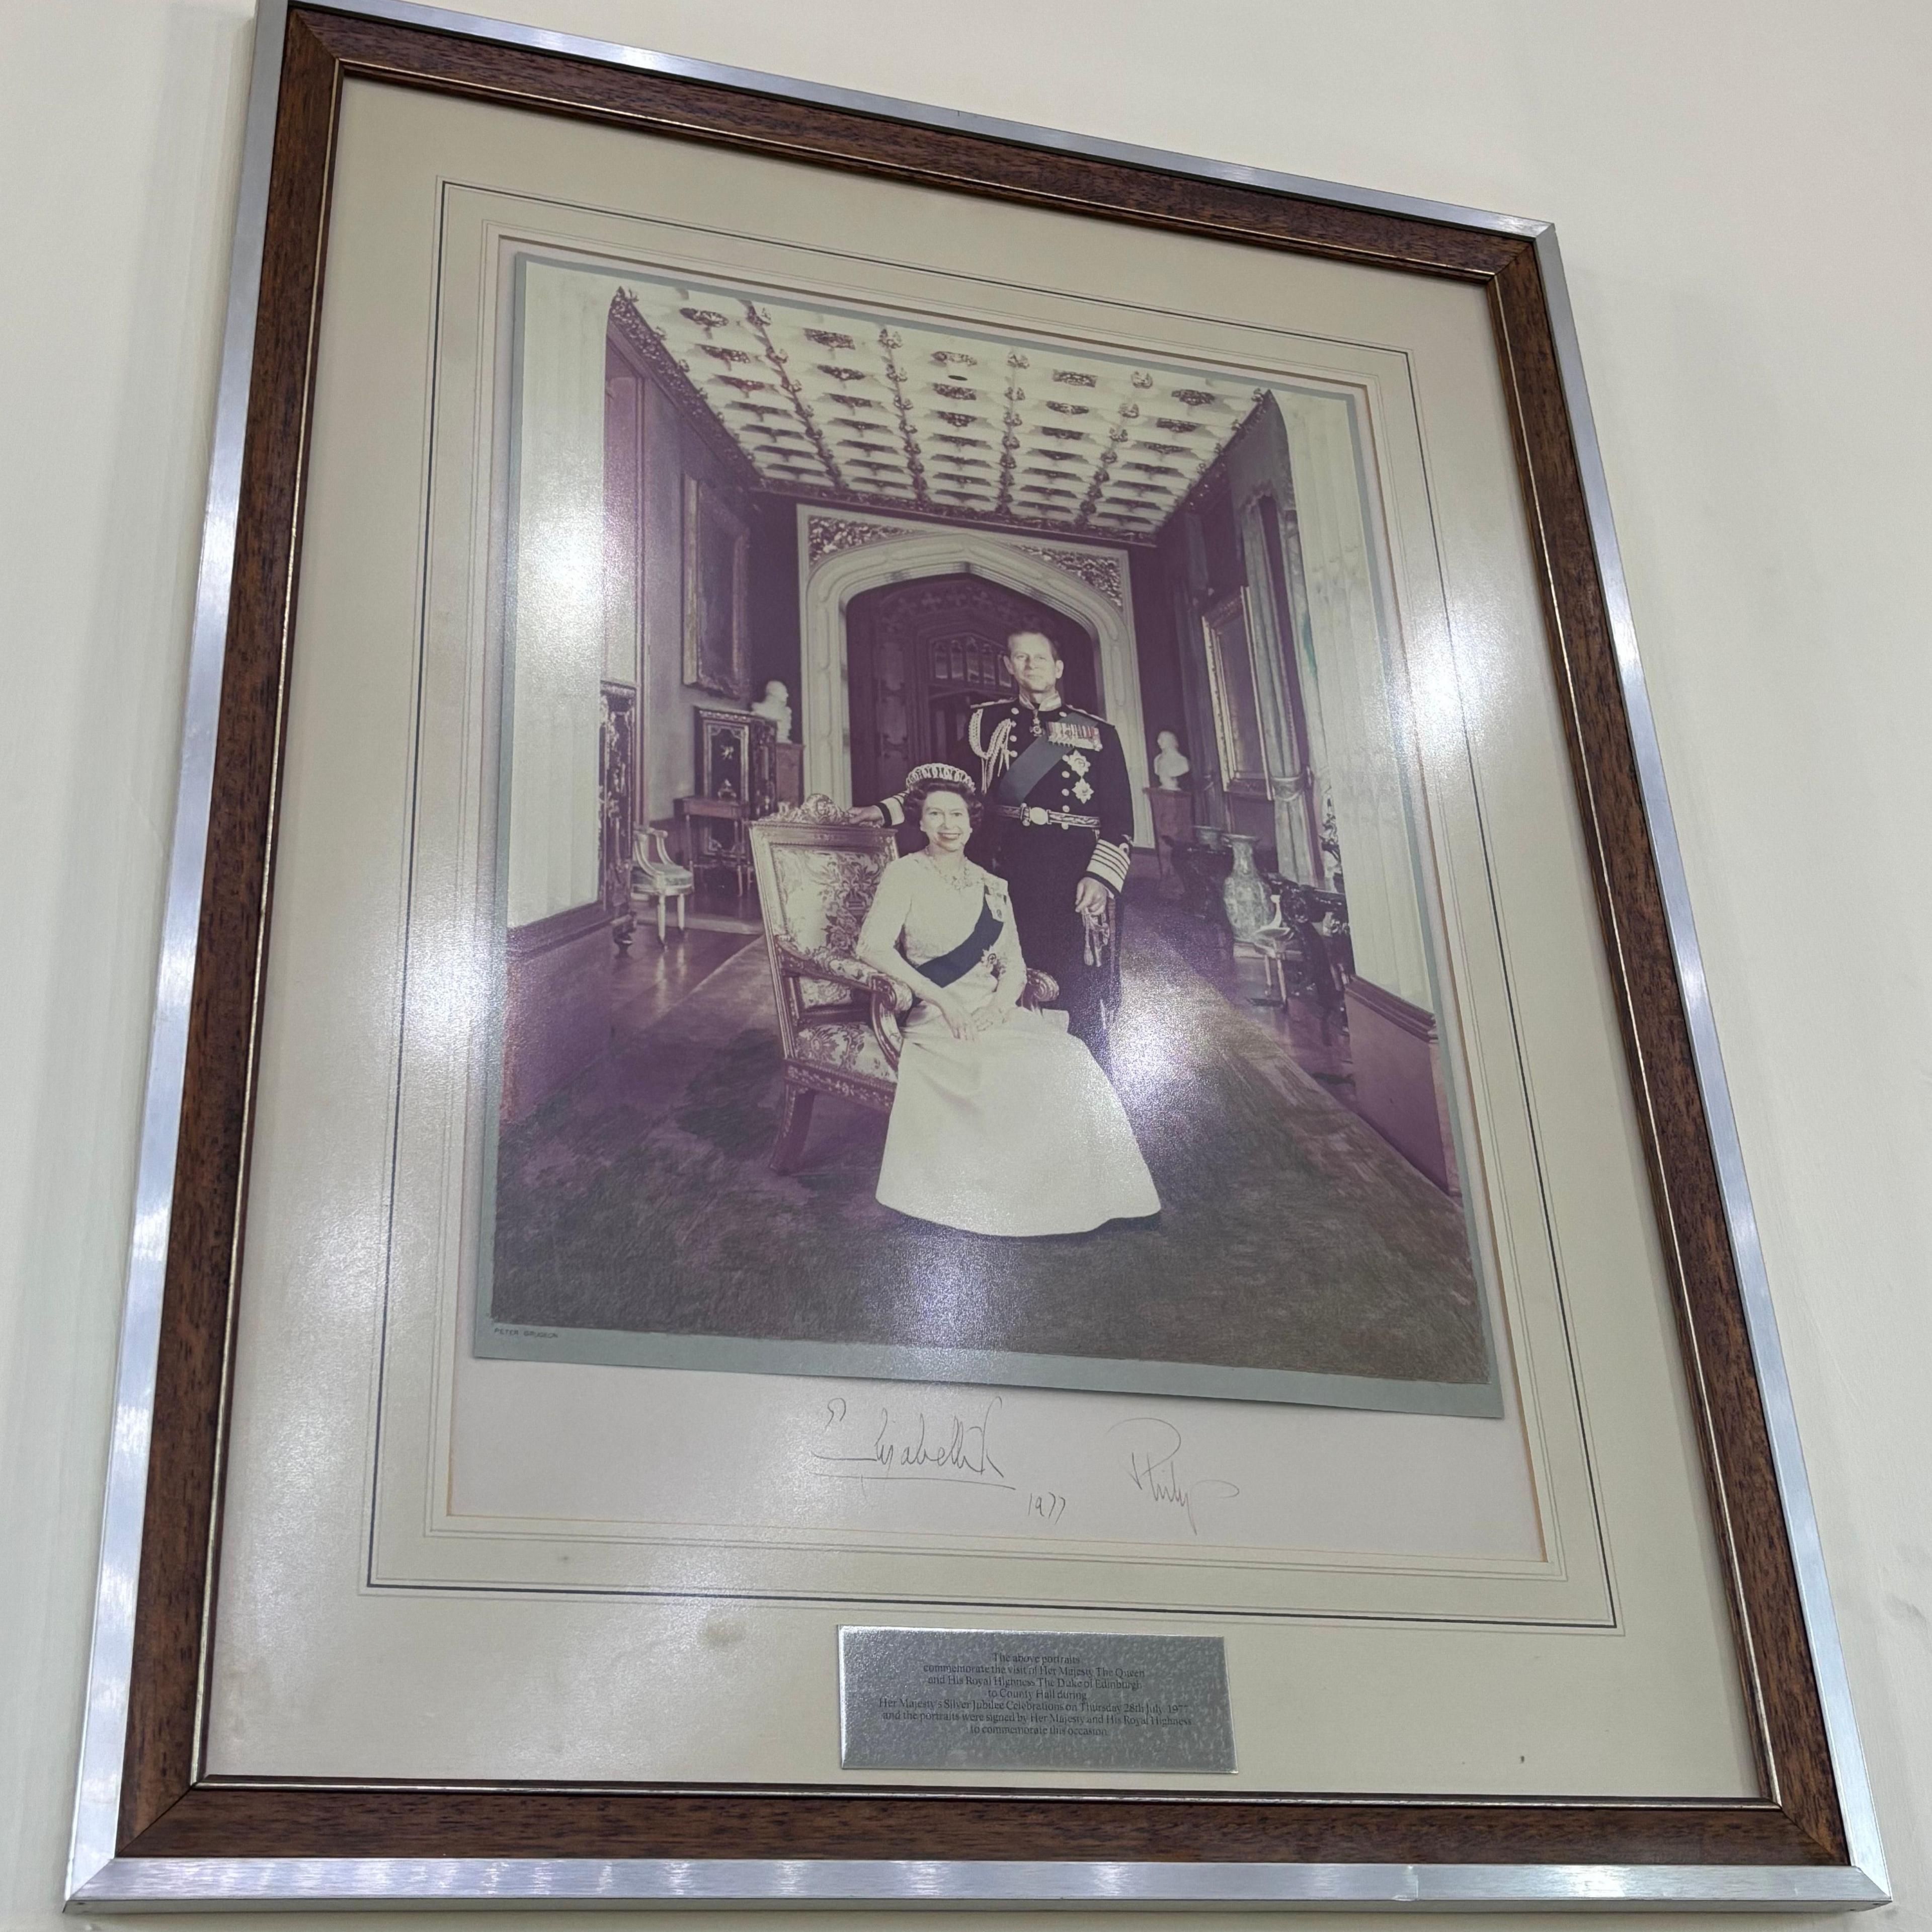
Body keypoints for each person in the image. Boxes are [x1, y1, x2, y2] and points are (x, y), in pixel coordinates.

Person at [854, 767, 1159, 1238]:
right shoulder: (904, 874)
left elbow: (1014, 967)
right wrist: (943, 1001)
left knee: (1069, 1056)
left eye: (956, 814)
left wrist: (997, 1010)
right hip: (936, 1016)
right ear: (921, 820)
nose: (947, 824)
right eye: (935, 814)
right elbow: (871, 948)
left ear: (973, 822)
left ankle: (1085, 1198)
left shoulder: (993, 886)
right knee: (997, 1069)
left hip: (991, 1012)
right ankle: (1000, 1205)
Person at [856, 629, 1133, 1064]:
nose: (1030, 666)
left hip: (1073, 872)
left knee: (1075, 982)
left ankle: (1084, 1078)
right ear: (1009, 666)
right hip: (1006, 865)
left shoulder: (1096, 733)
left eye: (1040, 658)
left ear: (1058, 668)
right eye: (1021, 658)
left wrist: (1099, 877)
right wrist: (887, 810)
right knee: (1001, 972)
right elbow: (948, 785)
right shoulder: (987, 723)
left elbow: (1120, 820)